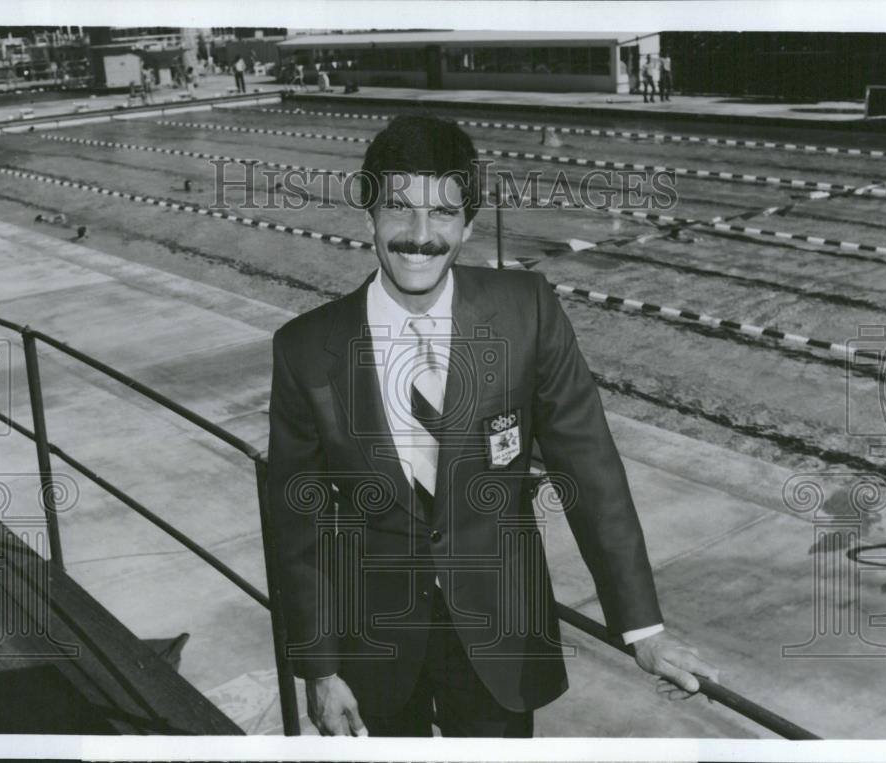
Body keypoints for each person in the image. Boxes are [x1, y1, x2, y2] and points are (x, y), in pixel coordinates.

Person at [267, 114, 720, 738]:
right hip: (371, 644)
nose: (420, 236)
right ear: (367, 215)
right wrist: (319, 669)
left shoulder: (525, 311)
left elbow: (588, 466)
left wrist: (642, 628)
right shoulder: (305, 349)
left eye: (443, 215)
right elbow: (301, 520)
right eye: (399, 209)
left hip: (502, 634)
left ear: (469, 226)